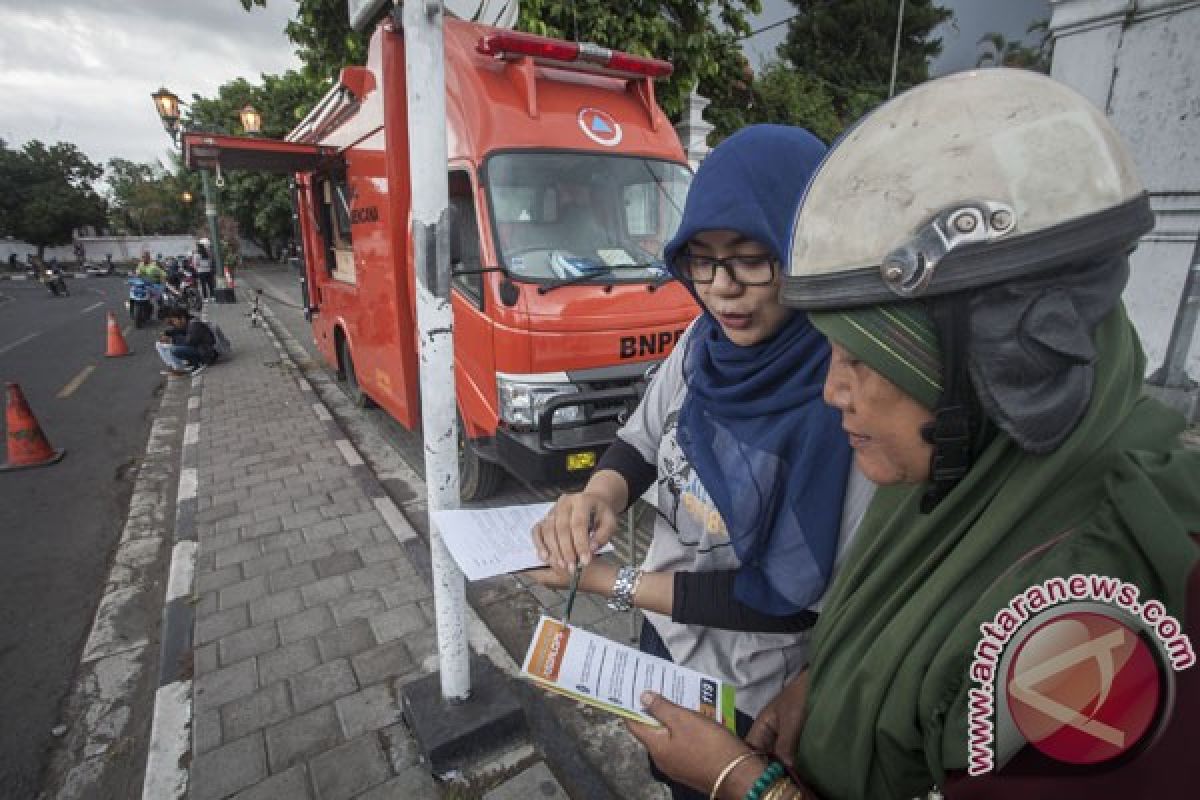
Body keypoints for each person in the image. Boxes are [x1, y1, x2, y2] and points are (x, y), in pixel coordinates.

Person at [625, 69, 1200, 800]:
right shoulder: (946, 469)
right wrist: (820, 678)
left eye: (862, 361)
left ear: (1000, 372)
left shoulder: (1079, 629)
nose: (832, 392)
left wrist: (743, 779)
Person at [529, 125, 871, 800]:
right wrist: (601, 493)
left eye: (751, 259)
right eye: (702, 261)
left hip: (749, 689)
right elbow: (642, 438)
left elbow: (793, 606)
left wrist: (611, 583)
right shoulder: (703, 341)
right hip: (663, 638)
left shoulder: (845, 396)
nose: (722, 289)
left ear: (802, 251)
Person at [156, 308, 217, 376]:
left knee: (174, 349)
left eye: (175, 320)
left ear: (182, 318)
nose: (174, 323)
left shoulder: (194, 325)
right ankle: (188, 365)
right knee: (161, 344)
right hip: (200, 349)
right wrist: (167, 334)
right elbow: (179, 331)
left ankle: (195, 364)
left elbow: (189, 342)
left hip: (206, 352)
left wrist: (171, 340)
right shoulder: (188, 324)